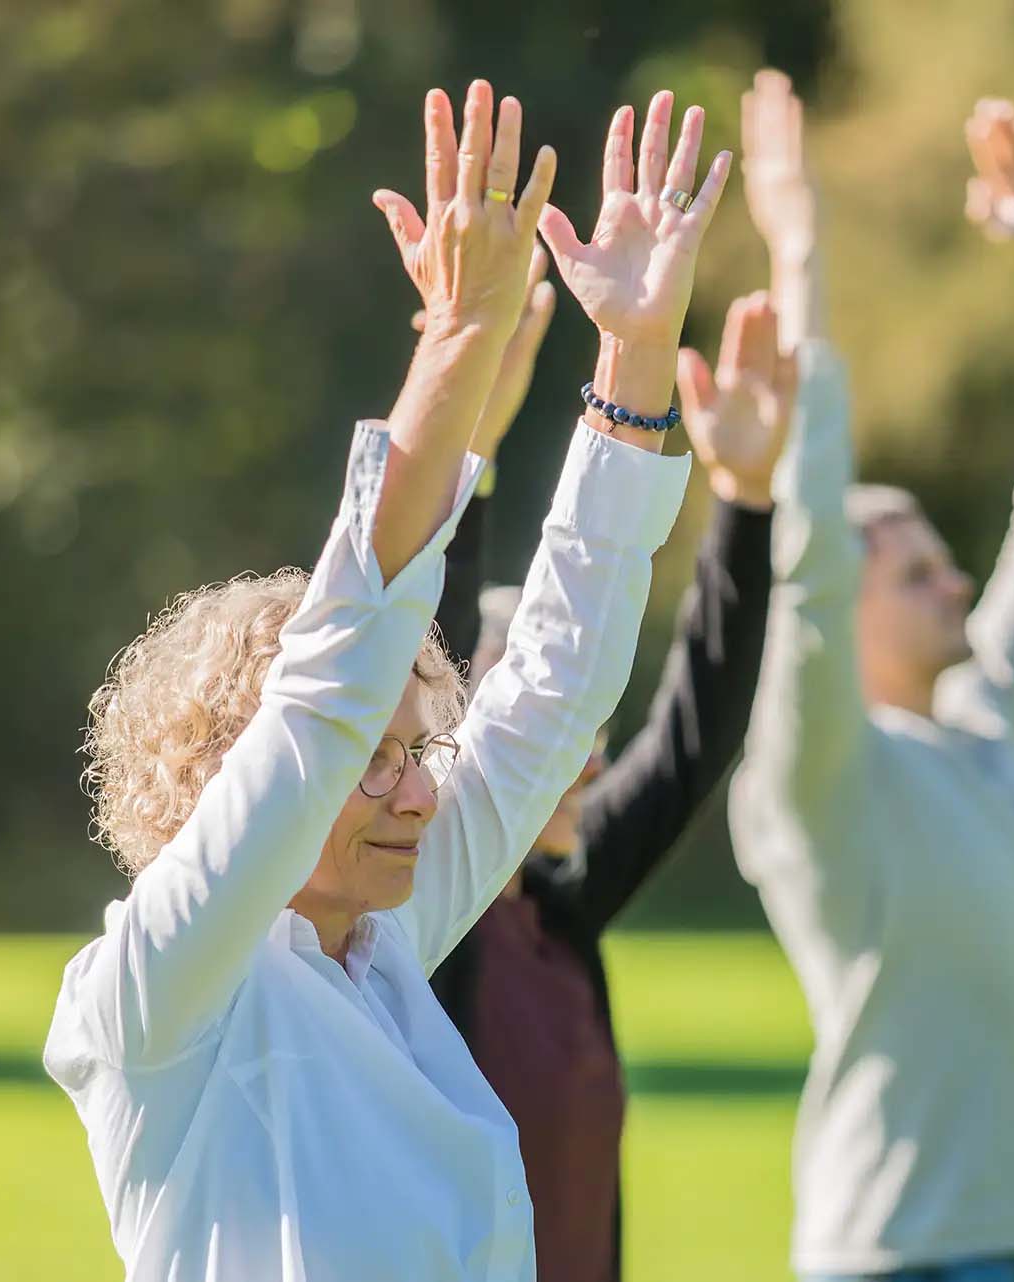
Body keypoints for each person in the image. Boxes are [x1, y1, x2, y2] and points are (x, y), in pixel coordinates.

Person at [43, 81, 733, 1281]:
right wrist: (466, 335)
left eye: (421, 753)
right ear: (223, 774)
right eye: (380, 760)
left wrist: (634, 355)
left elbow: (557, 684)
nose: (420, 796)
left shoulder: (387, 942)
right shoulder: (155, 990)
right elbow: (328, 691)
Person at [728, 72, 1014, 1281]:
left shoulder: (983, 727)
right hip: (901, 1253)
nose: (959, 584)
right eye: (916, 574)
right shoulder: (815, 779)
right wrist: (799, 258)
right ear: (842, 612)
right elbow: (799, 563)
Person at [427, 280, 796, 1282]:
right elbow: (439, 648)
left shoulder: (565, 910)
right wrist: (471, 448)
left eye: (591, 733)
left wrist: (748, 503)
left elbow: (692, 741)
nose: (587, 756)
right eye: (554, 737)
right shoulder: (418, 935)